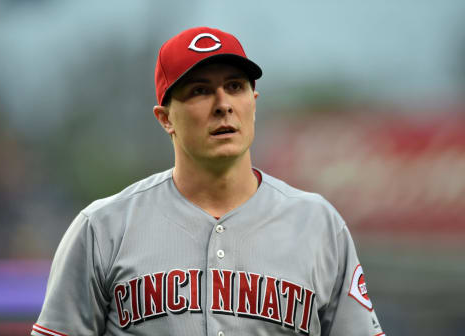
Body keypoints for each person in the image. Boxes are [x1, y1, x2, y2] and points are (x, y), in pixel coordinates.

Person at [31, 27, 385, 336]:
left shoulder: (319, 225)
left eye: (235, 86)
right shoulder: (104, 228)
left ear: (254, 102)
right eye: (200, 90)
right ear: (165, 118)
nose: (223, 104)